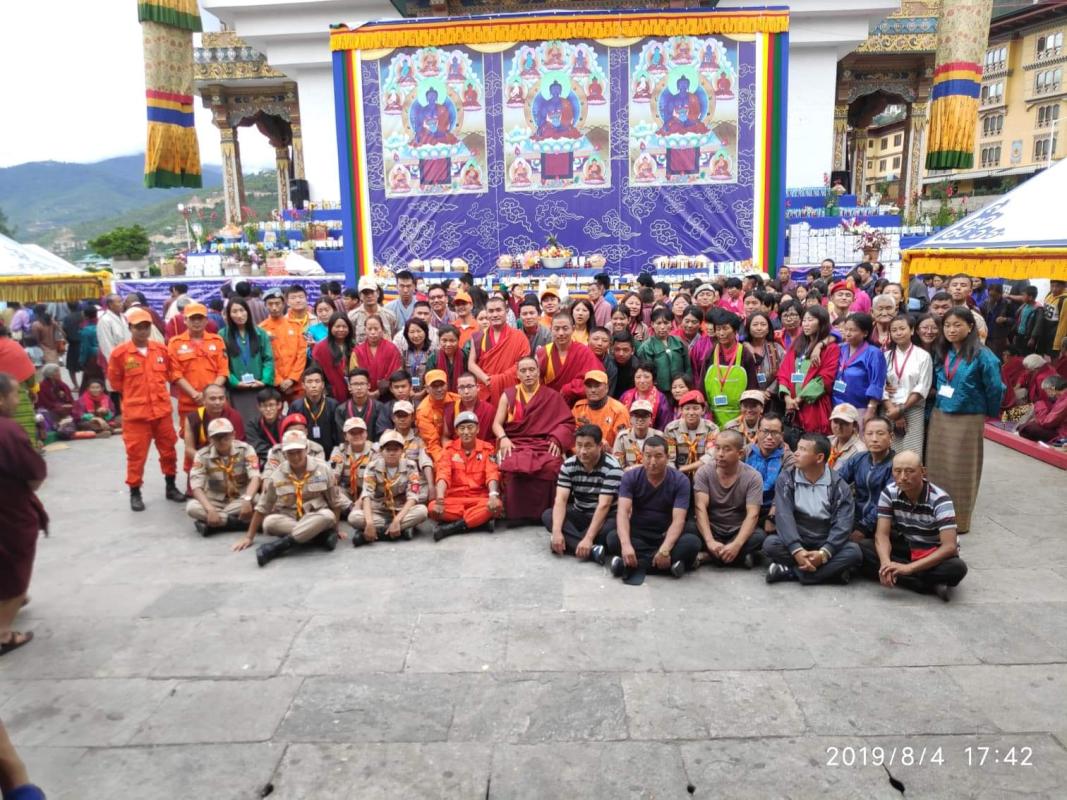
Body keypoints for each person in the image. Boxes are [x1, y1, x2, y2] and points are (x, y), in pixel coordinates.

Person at [926, 307, 1004, 534]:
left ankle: (959, 521)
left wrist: (986, 413)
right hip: (941, 414)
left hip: (968, 416)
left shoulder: (984, 355)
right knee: (938, 466)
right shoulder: (943, 351)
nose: (951, 330)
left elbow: (995, 388)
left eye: (957, 325)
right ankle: (935, 515)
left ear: (970, 327)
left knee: (962, 469)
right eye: (947, 325)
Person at [862, 451, 968, 600]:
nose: (903, 477)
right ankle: (927, 584)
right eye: (897, 471)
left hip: (933, 552)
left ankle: (906, 578)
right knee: (862, 547)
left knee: (957, 568)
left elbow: (949, 547)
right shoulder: (889, 493)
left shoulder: (940, 499)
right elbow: (882, 534)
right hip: (908, 547)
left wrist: (908, 568)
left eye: (910, 471)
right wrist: (886, 564)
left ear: (923, 471)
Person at [108, 308, 185, 510]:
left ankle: (171, 486)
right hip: (136, 416)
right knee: (136, 456)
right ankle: (135, 492)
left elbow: (171, 374)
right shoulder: (120, 354)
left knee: (168, 451)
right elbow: (115, 383)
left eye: (146, 327)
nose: (142, 331)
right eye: (138, 327)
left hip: (162, 412)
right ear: (130, 328)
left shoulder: (161, 350)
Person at [233, 429, 345, 566]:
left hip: (315, 516)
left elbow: (335, 502)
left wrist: (336, 529)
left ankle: (280, 546)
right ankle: (318, 536)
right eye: (291, 453)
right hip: (290, 519)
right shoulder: (277, 474)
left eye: (299, 452)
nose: (296, 457)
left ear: (306, 449)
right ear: (285, 454)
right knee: (269, 522)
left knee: (328, 516)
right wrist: (249, 537)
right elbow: (263, 506)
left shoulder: (323, 469)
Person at [762, 433, 861, 585]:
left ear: (819, 458)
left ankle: (792, 572)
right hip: (799, 535)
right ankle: (828, 573)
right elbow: (784, 515)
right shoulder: (787, 478)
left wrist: (824, 553)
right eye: (797, 448)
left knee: (854, 552)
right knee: (770, 544)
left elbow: (843, 524)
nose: (796, 453)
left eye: (802, 449)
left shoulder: (838, 485)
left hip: (825, 538)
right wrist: (797, 550)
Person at [606, 435, 701, 579]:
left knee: (692, 542)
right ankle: (669, 566)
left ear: (668, 457)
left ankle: (632, 564)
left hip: (665, 533)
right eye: (648, 456)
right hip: (638, 531)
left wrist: (664, 550)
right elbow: (623, 513)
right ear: (642, 456)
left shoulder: (680, 480)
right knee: (613, 538)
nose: (653, 462)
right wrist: (626, 546)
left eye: (658, 456)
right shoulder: (630, 477)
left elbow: (679, 520)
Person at [493, 356, 576, 521]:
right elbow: (496, 423)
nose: (528, 374)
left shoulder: (551, 396)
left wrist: (557, 438)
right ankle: (516, 513)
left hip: (544, 443)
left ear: (538, 372)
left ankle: (547, 512)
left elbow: (567, 423)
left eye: (532, 370)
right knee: (512, 466)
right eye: (523, 371)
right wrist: (503, 438)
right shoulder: (508, 395)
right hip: (516, 443)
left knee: (553, 465)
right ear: (517, 374)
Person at [0, 373, 47, 657]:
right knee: (15, 566)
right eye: (15, 394)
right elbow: (34, 475)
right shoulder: (8, 431)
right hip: (9, 510)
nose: (19, 400)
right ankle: (4, 632)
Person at [544, 423, 622, 560]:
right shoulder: (569, 465)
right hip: (581, 513)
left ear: (599, 446)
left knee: (611, 532)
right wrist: (556, 532)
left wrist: (588, 538)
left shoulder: (613, 467)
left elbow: (604, 506)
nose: (582, 451)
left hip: (606, 516)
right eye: (579, 445)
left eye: (588, 446)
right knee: (548, 515)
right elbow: (561, 499)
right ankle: (591, 551)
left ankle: (573, 543)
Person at [692, 429, 765, 568]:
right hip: (712, 527)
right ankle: (739, 557)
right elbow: (700, 508)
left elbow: (753, 514)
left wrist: (737, 544)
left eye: (727, 450)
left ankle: (708, 556)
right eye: (717, 448)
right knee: (689, 531)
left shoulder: (753, 477)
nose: (720, 454)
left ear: (740, 453)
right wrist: (709, 541)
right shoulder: (704, 472)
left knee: (760, 537)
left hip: (737, 529)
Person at [431, 411, 503, 541]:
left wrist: (493, 495)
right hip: (455, 498)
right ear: (457, 431)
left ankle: (452, 528)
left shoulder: (488, 449)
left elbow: (492, 473)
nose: (466, 432)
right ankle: (478, 522)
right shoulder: (448, 449)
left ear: (478, 429)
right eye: (462, 428)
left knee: (496, 505)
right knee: (432, 508)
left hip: (479, 498)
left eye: (470, 427)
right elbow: (443, 474)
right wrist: (440, 499)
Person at [349, 430, 428, 546]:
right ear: (381, 451)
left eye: (395, 449)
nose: (392, 453)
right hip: (379, 510)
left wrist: (397, 520)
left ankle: (376, 533)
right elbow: (366, 495)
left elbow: (413, 496)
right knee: (354, 517)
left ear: (402, 451)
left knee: (422, 511)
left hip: (400, 510)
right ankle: (400, 530)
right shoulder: (372, 467)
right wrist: (370, 522)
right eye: (388, 449)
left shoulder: (410, 466)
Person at [185, 417, 261, 537]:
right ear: (210, 439)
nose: (222, 440)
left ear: (233, 435)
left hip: (240, 498)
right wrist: (210, 509)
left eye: (226, 436)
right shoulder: (202, 455)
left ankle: (215, 523)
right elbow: (196, 487)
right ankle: (238, 523)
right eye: (217, 437)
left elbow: (255, 477)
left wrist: (247, 499)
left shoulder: (246, 449)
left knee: (259, 501)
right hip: (215, 501)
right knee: (192, 508)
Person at [778, 306, 838, 436]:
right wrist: (787, 397)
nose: (805, 324)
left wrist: (799, 398)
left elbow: (825, 378)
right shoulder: (798, 344)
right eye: (804, 320)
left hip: (814, 406)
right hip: (792, 406)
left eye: (810, 320)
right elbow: (784, 371)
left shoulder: (830, 348)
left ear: (821, 322)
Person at [167, 302, 229, 424]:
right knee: (191, 438)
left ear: (206, 320)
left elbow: (223, 371)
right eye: (192, 318)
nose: (196, 322)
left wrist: (210, 394)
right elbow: (175, 374)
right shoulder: (175, 343)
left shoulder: (217, 341)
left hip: (215, 402)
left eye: (200, 318)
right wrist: (195, 394)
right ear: (185, 320)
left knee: (218, 437)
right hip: (189, 402)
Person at [836, 416, 895, 541]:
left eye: (880, 434)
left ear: (891, 437)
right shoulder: (859, 458)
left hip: (882, 525)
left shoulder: (896, 465)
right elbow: (836, 480)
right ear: (863, 437)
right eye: (869, 434)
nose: (874, 439)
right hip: (854, 518)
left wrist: (863, 527)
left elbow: (886, 502)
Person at [883, 314, 932, 454]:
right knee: (887, 450)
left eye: (902, 328)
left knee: (911, 452)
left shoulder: (923, 356)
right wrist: (894, 411)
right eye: (894, 330)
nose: (898, 333)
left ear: (911, 330)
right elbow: (880, 385)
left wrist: (901, 410)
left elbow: (922, 387)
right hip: (889, 409)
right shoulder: (885, 356)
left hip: (913, 409)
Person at [220, 297, 274, 425]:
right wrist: (234, 382)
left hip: (258, 387)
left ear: (248, 312)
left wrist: (264, 380)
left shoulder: (260, 333)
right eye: (234, 311)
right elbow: (222, 364)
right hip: (237, 390)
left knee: (261, 421)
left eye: (242, 310)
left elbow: (268, 359)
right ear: (228, 314)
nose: (239, 315)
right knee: (241, 421)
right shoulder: (222, 335)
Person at [469, 295, 530, 406]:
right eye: (491, 311)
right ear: (487, 314)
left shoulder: (519, 336)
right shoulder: (478, 337)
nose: (495, 314)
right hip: (486, 390)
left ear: (506, 311)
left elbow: (523, 364)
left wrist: (498, 380)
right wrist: (487, 380)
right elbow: (471, 364)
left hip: (512, 391)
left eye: (498, 310)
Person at [181, 383, 247, 480]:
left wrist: (223, 465)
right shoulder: (193, 418)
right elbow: (189, 449)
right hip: (204, 462)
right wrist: (209, 463)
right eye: (213, 399)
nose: (217, 402)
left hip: (230, 463)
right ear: (203, 400)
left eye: (221, 398)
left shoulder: (234, 415)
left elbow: (240, 446)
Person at [704, 309, 758, 427]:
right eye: (718, 329)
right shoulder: (711, 352)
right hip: (713, 416)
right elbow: (702, 381)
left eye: (725, 328)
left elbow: (752, 385)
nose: (721, 333)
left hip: (739, 416)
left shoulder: (744, 354)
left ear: (735, 330)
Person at [832, 312, 885, 431]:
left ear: (865, 333)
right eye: (846, 329)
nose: (848, 333)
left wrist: (871, 409)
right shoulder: (841, 348)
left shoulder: (874, 353)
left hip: (860, 407)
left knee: (859, 443)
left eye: (853, 330)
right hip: (837, 405)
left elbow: (876, 383)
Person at [744, 412, 795, 533]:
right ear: (758, 432)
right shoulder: (746, 452)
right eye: (765, 431)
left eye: (775, 433)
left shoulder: (788, 458)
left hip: (772, 507)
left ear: (782, 435)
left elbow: (784, 489)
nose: (769, 437)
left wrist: (772, 516)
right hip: (745, 505)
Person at [537, 314, 603, 405]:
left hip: (578, 405)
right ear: (550, 329)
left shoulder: (584, 352)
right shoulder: (543, 353)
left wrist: (569, 389)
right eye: (556, 329)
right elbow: (536, 382)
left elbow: (598, 379)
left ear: (573, 329)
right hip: (550, 403)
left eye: (565, 328)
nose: (561, 333)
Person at [259, 288, 307, 404]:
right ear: (265, 305)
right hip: (274, 384)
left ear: (284, 304)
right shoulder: (261, 329)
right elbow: (263, 359)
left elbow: (302, 354)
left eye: (277, 303)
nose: (274, 307)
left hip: (296, 383)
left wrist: (292, 378)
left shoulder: (296, 325)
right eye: (270, 304)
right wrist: (279, 380)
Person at [329, 416, 378, 517]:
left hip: (370, 493)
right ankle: (353, 510)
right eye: (352, 433)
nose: (357, 435)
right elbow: (334, 478)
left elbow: (373, 482)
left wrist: (360, 502)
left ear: (366, 433)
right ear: (345, 436)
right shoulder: (339, 451)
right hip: (347, 494)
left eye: (360, 432)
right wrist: (351, 505)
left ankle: (354, 512)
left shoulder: (376, 451)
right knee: (330, 488)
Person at [571, 369, 630, 450]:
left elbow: (623, 446)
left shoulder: (618, 411)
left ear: (606, 388)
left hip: (607, 456)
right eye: (589, 386)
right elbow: (571, 435)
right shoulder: (578, 407)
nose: (593, 390)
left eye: (597, 386)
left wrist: (607, 449)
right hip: (580, 454)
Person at [664, 390, 717, 478]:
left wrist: (684, 469)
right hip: (677, 474)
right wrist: (675, 474)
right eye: (687, 409)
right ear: (681, 410)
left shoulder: (711, 429)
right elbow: (670, 458)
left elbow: (711, 456)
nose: (691, 413)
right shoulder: (671, 429)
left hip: (704, 474)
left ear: (703, 410)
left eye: (696, 408)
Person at [289, 366, 340, 457]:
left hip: (330, 455)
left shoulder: (333, 405)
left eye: (317, 381)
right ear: (303, 385)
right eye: (309, 382)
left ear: (323, 384)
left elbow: (338, 435)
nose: (313, 385)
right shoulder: (296, 406)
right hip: (304, 455)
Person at [635, 307, 688, 395]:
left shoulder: (679, 342)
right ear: (652, 324)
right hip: (658, 391)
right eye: (658, 323)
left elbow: (687, 367)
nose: (662, 327)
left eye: (666, 323)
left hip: (680, 389)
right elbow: (646, 372)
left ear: (671, 324)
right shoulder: (646, 347)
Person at [261, 413, 327, 482]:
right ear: (285, 434)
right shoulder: (277, 451)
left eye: (300, 431)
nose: (298, 435)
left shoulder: (316, 449)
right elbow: (268, 475)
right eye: (293, 432)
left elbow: (319, 474)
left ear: (306, 431)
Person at [350, 315, 402, 400]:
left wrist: (379, 391)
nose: (373, 332)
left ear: (382, 330)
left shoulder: (392, 349)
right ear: (365, 330)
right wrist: (366, 391)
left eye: (376, 328)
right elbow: (354, 374)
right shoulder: (357, 351)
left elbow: (396, 372)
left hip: (388, 395)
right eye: (369, 329)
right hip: (363, 394)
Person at [310, 312, 356, 403]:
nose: (341, 329)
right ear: (331, 327)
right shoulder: (321, 348)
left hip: (353, 391)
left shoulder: (353, 345)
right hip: (330, 394)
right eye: (337, 326)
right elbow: (316, 372)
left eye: (344, 327)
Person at [415, 369, 458, 464]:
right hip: (438, 449)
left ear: (447, 385)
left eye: (441, 385)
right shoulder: (423, 411)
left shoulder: (457, 400)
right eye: (434, 386)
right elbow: (433, 444)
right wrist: (447, 461)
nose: (439, 389)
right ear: (426, 388)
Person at [442, 371, 496, 446]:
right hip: (457, 453)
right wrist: (452, 453)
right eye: (462, 387)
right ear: (457, 389)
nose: (466, 391)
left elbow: (495, 438)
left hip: (483, 453)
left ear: (477, 387)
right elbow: (445, 437)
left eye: (470, 386)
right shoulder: (451, 409)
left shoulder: (489, 409)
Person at [612, 398, 663, 470]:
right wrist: (636, 469)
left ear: (651, 419)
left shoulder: (659, 437)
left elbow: (665, 464)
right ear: (630, 419)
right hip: (629, 477)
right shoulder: (622, 437)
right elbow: (618, 467)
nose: (640, 419)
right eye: (636, 415)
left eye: (644, 415)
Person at [1018, 375, 1067, 442]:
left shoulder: (1064, 401)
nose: (1047, 394)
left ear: (1052, 389)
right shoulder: (1062, 397)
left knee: (1026, 428)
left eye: (1046, 391)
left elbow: (1048, 423)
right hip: (1058, 427)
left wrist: (1040, 409)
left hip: (1063, 434)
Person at [371, 369, 415, 440]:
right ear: (391, 389)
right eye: (396, 387)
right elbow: (382, 430)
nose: (400, 390)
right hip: (392, 445)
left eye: (403, 386)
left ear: (411, 387)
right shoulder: (386, 408)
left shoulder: (418, 406)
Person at [245, 386, 284, 465]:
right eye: (264, 406)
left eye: (271, 405)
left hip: (287, 458)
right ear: (259, 407)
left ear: (279, 405)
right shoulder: (252, 424)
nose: (268, 409)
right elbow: (256, 445)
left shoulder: (287, 422)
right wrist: (275, 455)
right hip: (266, 460)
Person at [1033, 280, 1067, 356]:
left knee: (1053, 357)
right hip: (1044, 331)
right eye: (1052, 286)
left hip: (1054, 333)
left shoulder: (1064, 300)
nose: (1054, 289)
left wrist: (1057, 344)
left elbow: (1063, 324)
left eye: (1057, 286)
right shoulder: (1049, 295)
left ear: (1064, 286)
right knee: (1040, 353)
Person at [827, 403, 866, 469]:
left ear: (854, 425)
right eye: (836, 422)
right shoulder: (827, 441)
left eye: (844, 423)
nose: (839, 427)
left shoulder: (860, 451)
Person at [429, 325, 467, 393]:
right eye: (444, 340)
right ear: (439, 340)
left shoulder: (465, 355)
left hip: (462, 394)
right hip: (439, 395)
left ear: (458, 340)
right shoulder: (433, 358)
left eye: (452, 341)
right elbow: (429, 381)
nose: (448, 344)